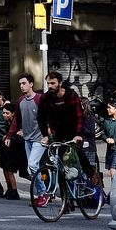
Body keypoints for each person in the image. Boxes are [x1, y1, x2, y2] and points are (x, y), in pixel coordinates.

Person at [37, 71, 100, 201]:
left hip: (74, 133)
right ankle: (63, 198)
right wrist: (45, 135)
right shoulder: (45, 98)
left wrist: (78, 134)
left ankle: (91, 172)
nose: (50, 86)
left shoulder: (71, 95)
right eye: (48, 83)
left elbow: (80, 117)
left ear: (60, 83)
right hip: (57, 135)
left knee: (76, 151)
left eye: (53, 83)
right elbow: (41, 118)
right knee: (49, 164)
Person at [6, 73, 44, 199]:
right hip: (27, 139)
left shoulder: (39, 99)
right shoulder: (21, 101)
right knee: (34, 167)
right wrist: (9, 135)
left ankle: (43, 192)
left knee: (33, 165)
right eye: (20, 84)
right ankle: (41, 194)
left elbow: (48, 117)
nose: (21, 86)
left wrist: (49, 133)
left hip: (40, 138)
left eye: (24, 83)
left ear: (31, 84)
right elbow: (16, 119)